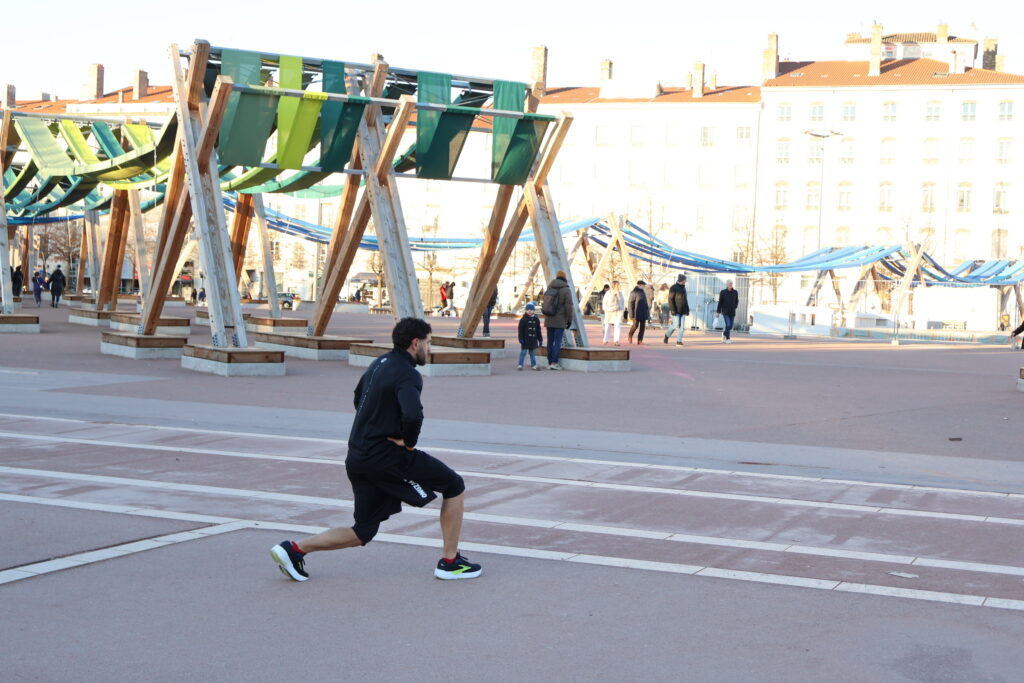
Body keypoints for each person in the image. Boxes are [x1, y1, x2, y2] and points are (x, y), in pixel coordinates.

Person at [271, 318, 481, 582]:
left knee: (363, 532)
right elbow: (413, 415)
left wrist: (378, 422)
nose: (429, 349)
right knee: (453, 485)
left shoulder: (379, 363)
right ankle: (450, 562)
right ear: (415, 343)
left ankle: (294, 550)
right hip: (387, 457)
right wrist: (408, 442)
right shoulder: (408, 374)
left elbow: (358, 398)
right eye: (428, 343)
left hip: (358, 456)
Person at [541, 270, 572, 370]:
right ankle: (555, 362)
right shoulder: (566, 289)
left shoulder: (550, 286)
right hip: (560, 320)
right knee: (557, 341)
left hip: (549, 318)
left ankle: (550, 362)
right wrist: (569, 320)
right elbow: (569, 306)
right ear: (565, 277)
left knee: (550, 341)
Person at [663, 274, 691, 346]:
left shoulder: (684, 288)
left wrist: (687, 310)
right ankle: (667, 335)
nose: (686, 281)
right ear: (682, 280)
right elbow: (670, 299)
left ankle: (679, 341)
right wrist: (672, 309)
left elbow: (685, 300)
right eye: (685, 280)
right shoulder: (673, 287)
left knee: (682, 327)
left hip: (683, 311)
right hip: (676, 311)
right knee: (675, 325)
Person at [517, 302, 543, 370]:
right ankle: (520, 364)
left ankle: (533, 365)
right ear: (525, 310)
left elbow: (538, 330)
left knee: (532, 353)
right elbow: (520, 330)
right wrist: (520, 338)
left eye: (531, 310)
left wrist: (540, 339)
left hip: (533, 340)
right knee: (523, 352)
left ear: (534, 311)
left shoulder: (536, 319)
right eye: (528, 310)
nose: (529, 311)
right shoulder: (523, 320)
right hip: (525, 340)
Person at [602, 280, 624, 345]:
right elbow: (605, 302)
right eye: (617, 285)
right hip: (609, 311)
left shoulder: (620, 293)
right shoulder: (608, 293)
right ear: (614, 285)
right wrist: (606, 309)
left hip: (618, 311)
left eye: (619, 285)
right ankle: (606, 339)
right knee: (607, 326)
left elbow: (622, 302)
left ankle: (616, 340)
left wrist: (622, 309)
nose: (619, 286)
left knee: (617, 325)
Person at [628, 280, 650, 344]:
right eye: (643, 285)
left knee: (642, 327)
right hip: (636, 313)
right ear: (639, 285)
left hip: (643, 312)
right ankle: (630, 335)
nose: (644, 286)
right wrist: (631, 314)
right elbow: (630, 303)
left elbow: (645, 303)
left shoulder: (643, 292)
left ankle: (640, 340)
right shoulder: (634, 292)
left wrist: (647, 312)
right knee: (635, 326)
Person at [717, 279, 739, 344]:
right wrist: (718, 312)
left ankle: (724, 333)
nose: (730, 285)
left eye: (731, 283)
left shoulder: (735, 292)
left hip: (732, 312)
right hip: (725, 311)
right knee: (728, 324)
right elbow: (720, 302)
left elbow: (737, 301)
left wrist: (735, 306)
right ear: (726, 284)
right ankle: (728, 338)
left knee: (730, 326)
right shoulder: (723, 292)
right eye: (729, 283)